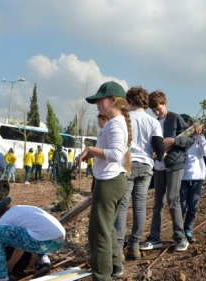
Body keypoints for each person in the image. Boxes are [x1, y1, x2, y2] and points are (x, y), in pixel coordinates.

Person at [77, 81, 131, 280]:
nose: (97, 103)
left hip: (109, 183)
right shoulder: (117, 123)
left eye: (100, 99)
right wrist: (93, 154)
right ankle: (116, 265)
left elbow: (117, 154)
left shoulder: (116, 124)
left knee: (98, 233)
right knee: (107, 228)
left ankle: (102, 276)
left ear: (113, 100)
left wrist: (90, 150)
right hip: (113, 181)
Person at [113, 86, 164, 262]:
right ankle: (134, 247)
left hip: (127, 165)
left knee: (122, 206)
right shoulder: (153, 122)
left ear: (131, 101)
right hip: (146, 165)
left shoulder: (123, 119)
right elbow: (160, 149)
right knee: (140, 207)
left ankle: (118, 248)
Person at [140, 90, 194, 254]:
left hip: (175, 164)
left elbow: (189, 139)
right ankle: (154, 238)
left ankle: (180, 237)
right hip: (158, 166)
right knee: (157, 203)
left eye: (159, 108)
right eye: (154, 110)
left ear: (165, 103)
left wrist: (175, 140)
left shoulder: (175, 118)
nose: (157, 112)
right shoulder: (153, 122)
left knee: (173, 199)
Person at [0, 198, 66, 281]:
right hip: (57, 240)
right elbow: (22, 238)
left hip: (44, 241)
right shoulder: (16, 210)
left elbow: (20, 246)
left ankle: (2, 277)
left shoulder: (2, 220)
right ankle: (44, 261)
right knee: (34, 231)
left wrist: (10, 265)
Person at [179, 114, 206, 243]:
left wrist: (199, 137)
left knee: (193, 205)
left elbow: (205, 152)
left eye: (187, 124)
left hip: (197, 176)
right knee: (181, 205)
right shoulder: (179, 139)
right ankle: (178, 232)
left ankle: (188, 229)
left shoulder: (200, 138)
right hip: (182, 176)